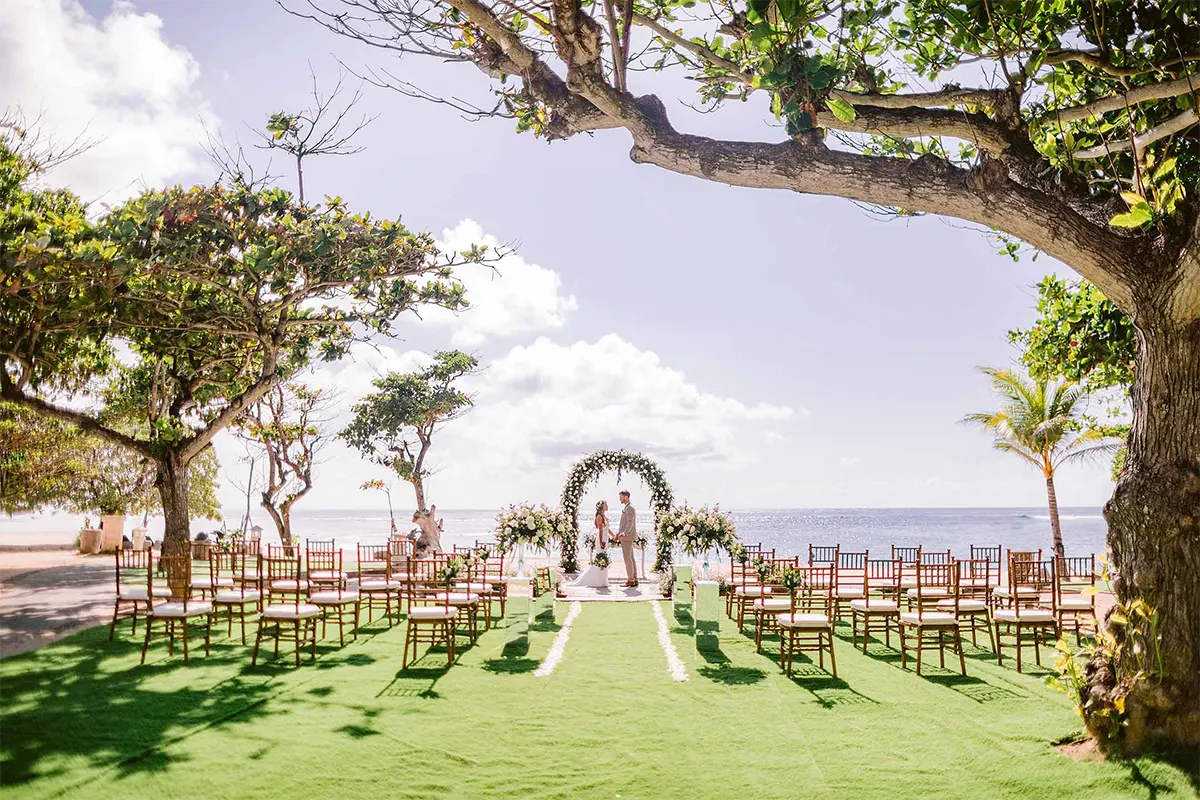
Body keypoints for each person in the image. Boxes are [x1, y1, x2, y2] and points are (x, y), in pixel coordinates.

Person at [617, 490, 638, 587]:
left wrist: (625, 533)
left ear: (626, 497)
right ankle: (634, 578)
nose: (620, 499)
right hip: (627, 536)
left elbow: (630, 522)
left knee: (627, 558)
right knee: (631, 558)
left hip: (627, 537)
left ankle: (631, 579)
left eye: (621, 497)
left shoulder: (630, 508)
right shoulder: (628, 507)